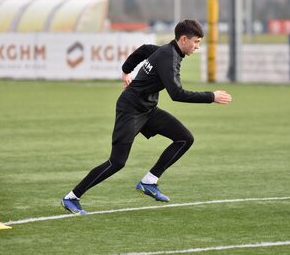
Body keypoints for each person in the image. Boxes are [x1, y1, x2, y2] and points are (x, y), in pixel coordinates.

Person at [61, 20, 232, 215]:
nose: (198, 47)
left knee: (185, 138)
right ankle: (71, 197)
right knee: (117, 162)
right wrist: (212, 97)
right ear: (183, 39)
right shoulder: (169, 57)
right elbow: (176, 94)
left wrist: (126, 70)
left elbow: (143, 50)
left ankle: (149, 181)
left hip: (148, 110)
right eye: (196, 42)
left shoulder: (166, 51)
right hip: (130, 109)